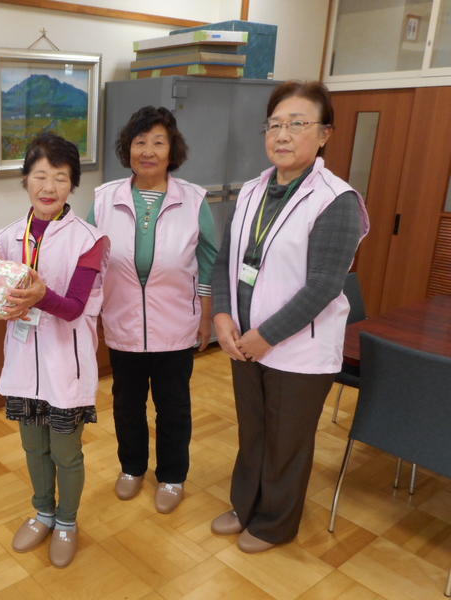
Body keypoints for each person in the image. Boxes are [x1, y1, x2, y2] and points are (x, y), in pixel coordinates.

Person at [210, 80, 369, 553]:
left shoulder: (336, 200)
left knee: (287, 440)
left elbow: (323, 286)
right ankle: (245, 505)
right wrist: (222, 314)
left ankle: (275, 524)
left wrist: (267, 335)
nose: (282, 134)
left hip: (298, 349)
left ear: (324, 134)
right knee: (253, 430)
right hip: (243, 340)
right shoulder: (252, 191)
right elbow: (226, 261)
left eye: (297, 124)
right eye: (275, 124)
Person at [88, 106, 218, 514]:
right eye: (140, 142)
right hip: (122, 323)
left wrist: (206, 313)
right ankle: (132, 467)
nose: (148, 151)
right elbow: (90, 260)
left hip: (175, 325)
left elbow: (209, 259)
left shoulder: (193, 200)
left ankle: (173, 475)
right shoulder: (104, 199)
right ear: (127, 149)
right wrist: (92, 315)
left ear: (171, 150)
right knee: (126, 403)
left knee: (173, 406)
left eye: (158, 142)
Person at [0, 133, 108, 568]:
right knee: (33, 447)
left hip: (66, 363)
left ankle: (66, 521)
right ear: (25, 179)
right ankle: (42, 512)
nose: (48, 187)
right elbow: (4, 299)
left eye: (60, 177)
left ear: (72, 184)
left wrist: (40, 296)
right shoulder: (8, 238)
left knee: (66, 452)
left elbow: (75, 307)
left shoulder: (90, 240)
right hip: (24, 361)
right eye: (40, 175)